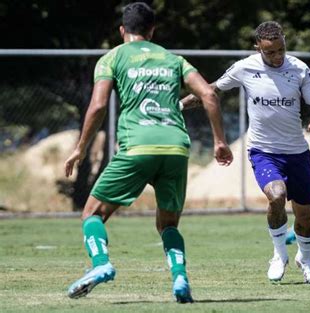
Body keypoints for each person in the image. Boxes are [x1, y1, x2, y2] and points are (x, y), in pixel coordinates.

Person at [64, 2, 233, 303]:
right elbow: (208, 93)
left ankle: (101, 264)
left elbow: (99, 105)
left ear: (122, 30)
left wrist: (80, 148)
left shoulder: (112, 58)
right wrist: (220, 140)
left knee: (92, 213)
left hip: (137, 147)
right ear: (152, 30)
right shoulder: (173, 59)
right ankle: (180, 277)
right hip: (176, 148)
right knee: (168, 224)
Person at [181, 21, 310, 284]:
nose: (277, 56)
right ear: (257, 47)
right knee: (276, 195)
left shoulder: (299, 69)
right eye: (270, 52)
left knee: (304, 214)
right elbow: (211, 90)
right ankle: (279, 254)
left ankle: (306, 258)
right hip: (263, 151)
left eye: (281, 50)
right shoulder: (244, 67)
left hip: (297, 152)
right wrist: (179, 105)